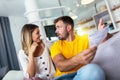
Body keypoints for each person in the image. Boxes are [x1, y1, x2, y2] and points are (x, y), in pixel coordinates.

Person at [50, 16, 106, 80]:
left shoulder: (85, 38)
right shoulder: (56, 46)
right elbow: (61, 66)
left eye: (58, 27)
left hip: (82, 75)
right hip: (62, 77)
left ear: (69, 28)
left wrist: (101, 32)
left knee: (95, 69)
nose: (56, 31)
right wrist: (77, 59)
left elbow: (104, 41)